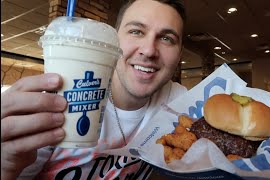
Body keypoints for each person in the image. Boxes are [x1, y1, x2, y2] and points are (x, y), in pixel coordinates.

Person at [1, 0, 187, 179]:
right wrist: (5, 168)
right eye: (136, 31)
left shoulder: (179, 101)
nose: (148, 50)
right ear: (115, 41)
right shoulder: (49, 108)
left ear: (179, 55)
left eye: (166, 38)